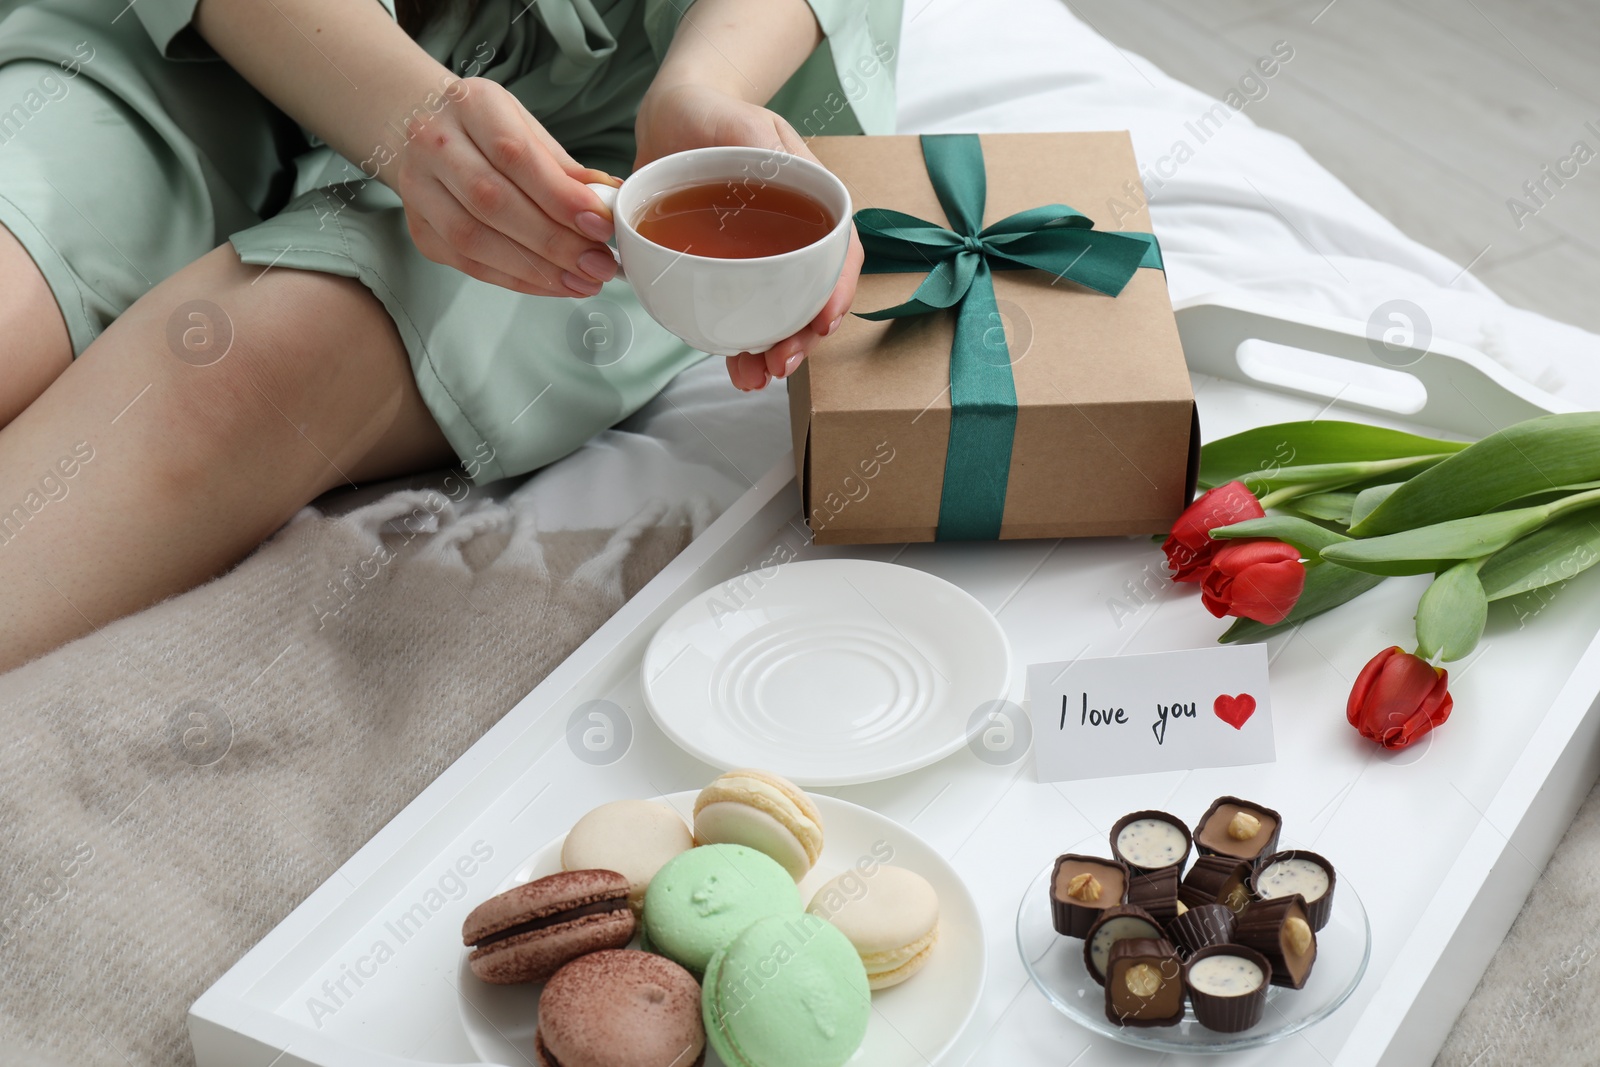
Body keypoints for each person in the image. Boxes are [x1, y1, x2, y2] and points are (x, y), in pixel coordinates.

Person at [0, 0, 900, 670]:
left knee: (247, 370)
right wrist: (402, 111)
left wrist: (704, 84)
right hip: (217, 29)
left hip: (597, 120)